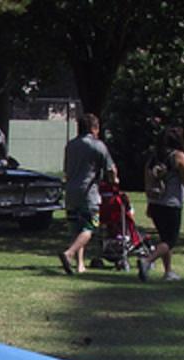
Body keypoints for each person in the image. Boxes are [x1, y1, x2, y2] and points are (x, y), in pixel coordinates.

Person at [59, 113, 118, 275]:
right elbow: (111, 170)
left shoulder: (70, 145)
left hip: (70, 192)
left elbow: (66, 169)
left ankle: (80, 265)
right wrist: (114, 180)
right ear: (94, 128)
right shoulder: (98, 146)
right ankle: (69, 253)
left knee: (76, 229)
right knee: (90, 227)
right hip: (88, 193)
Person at [138, 126, 184, 282]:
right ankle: (147, 261)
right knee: (170, 241)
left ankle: (168, 272)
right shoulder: (178, 156)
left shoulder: (153, 157)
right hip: (171, 203)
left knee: (164, 238)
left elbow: (147, 180)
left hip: (155, 203)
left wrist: (149, 203)